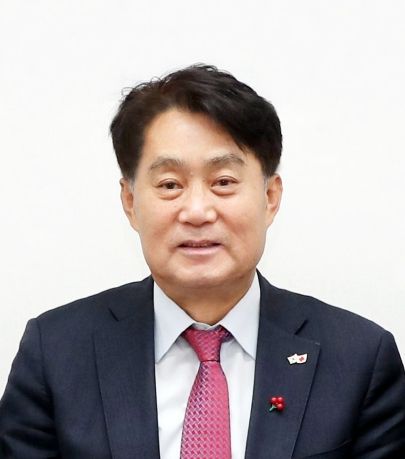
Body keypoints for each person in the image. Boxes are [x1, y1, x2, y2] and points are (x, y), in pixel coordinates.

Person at [0, 64, 404, 459]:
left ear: (270, 197)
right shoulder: (55, 352)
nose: (197, 211)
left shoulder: (359, 359)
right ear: (130, 201)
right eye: (170, 185)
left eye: (223, 182)